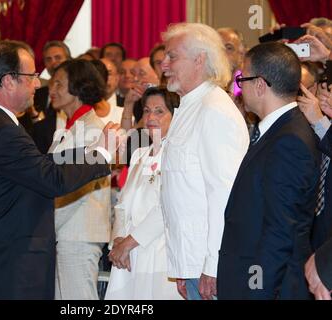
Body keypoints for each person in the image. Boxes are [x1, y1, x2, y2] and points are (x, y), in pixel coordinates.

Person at [0, 40, 118, 300]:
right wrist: (103, 155)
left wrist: (90, 152)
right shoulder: (2, 130)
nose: (38, 84)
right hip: (8, 263)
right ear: (8, 81)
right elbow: (50, 179)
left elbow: (40, 164)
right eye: (31, 77)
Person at [217, 42, 320, 299]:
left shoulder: (289, 140)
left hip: (267, 287)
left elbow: (280, 231)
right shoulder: (279, 130)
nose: (239, 87)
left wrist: (257, 292)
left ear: (260, 85)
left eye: (242, 79)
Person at [159, 23, 249, 300]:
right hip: (193, 263)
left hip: (209, 265)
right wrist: (184, 268)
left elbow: (224, 194)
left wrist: (212, 266)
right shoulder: (190, 106)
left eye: (172, 56)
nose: (163, 64)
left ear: (199, 59)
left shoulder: (213, 109)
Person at [105, 86, 182, 300]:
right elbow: (122, 204)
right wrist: (119, 239)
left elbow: (167, 206)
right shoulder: (139, 153)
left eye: (159, 111)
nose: (150, 117)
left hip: (159, 252)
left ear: (176, 115)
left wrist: (129, 242)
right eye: (147, 110)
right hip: (128, 256)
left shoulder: (178, 154)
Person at [48, 60, 112, 300]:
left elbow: (78, 187)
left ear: (78, 87)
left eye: (59, 84)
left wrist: (47, 227)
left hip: (78, 232)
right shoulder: (69, 128)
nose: (52, 90)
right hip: (67, 232)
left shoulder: (92, 130)